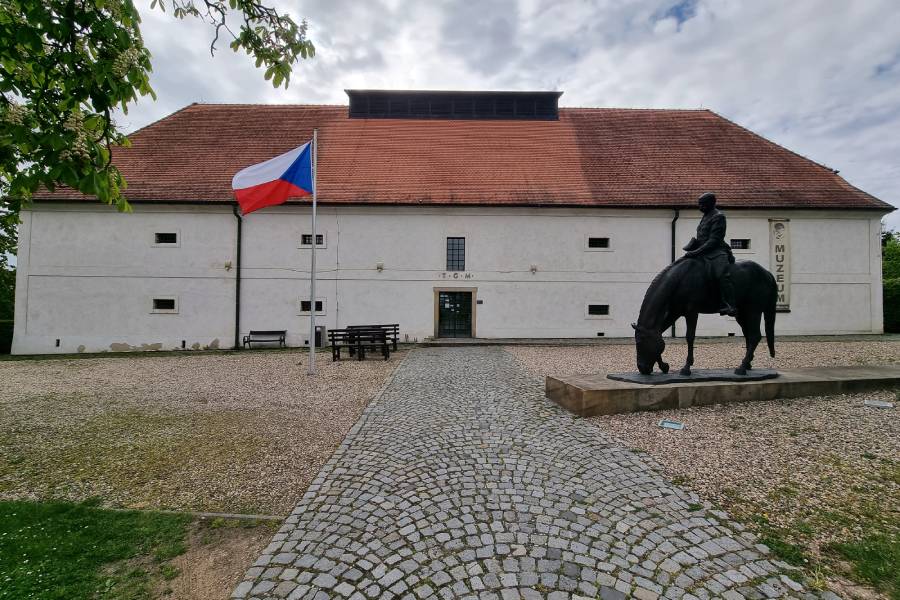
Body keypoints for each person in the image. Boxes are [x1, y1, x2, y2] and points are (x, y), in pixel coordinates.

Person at [682, 192, 737, 316]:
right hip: (703, 250)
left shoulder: (719, 216)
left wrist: (695, 252)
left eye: (703, 204)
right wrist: (693, 245)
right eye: (699, 204)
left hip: (717, 251)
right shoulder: (706, 215)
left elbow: (714, 240)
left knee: (721, 275)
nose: (700, 207)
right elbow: (703, 237)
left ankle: (730, 305)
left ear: (711, 203)